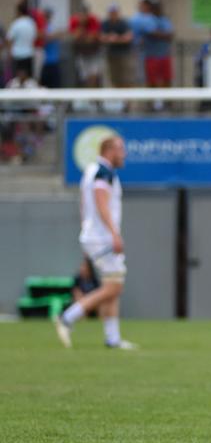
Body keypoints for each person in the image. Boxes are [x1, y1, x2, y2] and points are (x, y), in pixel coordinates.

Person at [55, 136, 137, 350]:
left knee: (113, 284)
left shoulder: (91, 171)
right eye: (121, 149)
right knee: (114, 287)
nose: (124, 154)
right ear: (109, 150)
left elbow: (84, 206)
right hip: (102, 237)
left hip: (93, 236)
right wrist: (114, 234)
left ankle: (113, 338)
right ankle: (68, 317)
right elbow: (102, 206)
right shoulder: (103, 173)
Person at [69, 3, 102, 87]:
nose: (83, 16)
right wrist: (81, 26)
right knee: (84, 76)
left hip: (93, 52)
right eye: (81, 13)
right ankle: (87, 95)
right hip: (81, 53)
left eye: (85, 13)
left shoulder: (93, 19)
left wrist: (82, 35)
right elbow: (74, 36)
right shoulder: (74, 20)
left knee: (94, 74)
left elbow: (91, 39)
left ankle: (93, 95)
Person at [100, 4, 133, 87]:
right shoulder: (105, 24)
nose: (113, 14)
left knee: (125, 78)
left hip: (123, 55)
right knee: (113, 78)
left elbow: (128, 38)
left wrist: (116, 38)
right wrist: (113, 38)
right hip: (111, 55)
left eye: (114, 12)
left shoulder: (123, 23)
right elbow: (101, 38)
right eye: (111, 12)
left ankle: (126, 99)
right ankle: (117, 98)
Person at [6, 2, 37, 78]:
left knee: (16, 80)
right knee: (28, 80)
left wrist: (10, 53)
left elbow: (9, 39)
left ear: (19, 12)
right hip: (28, 54)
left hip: (17, 54)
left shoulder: (16, 23)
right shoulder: (31, 23)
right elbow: (34, 38)